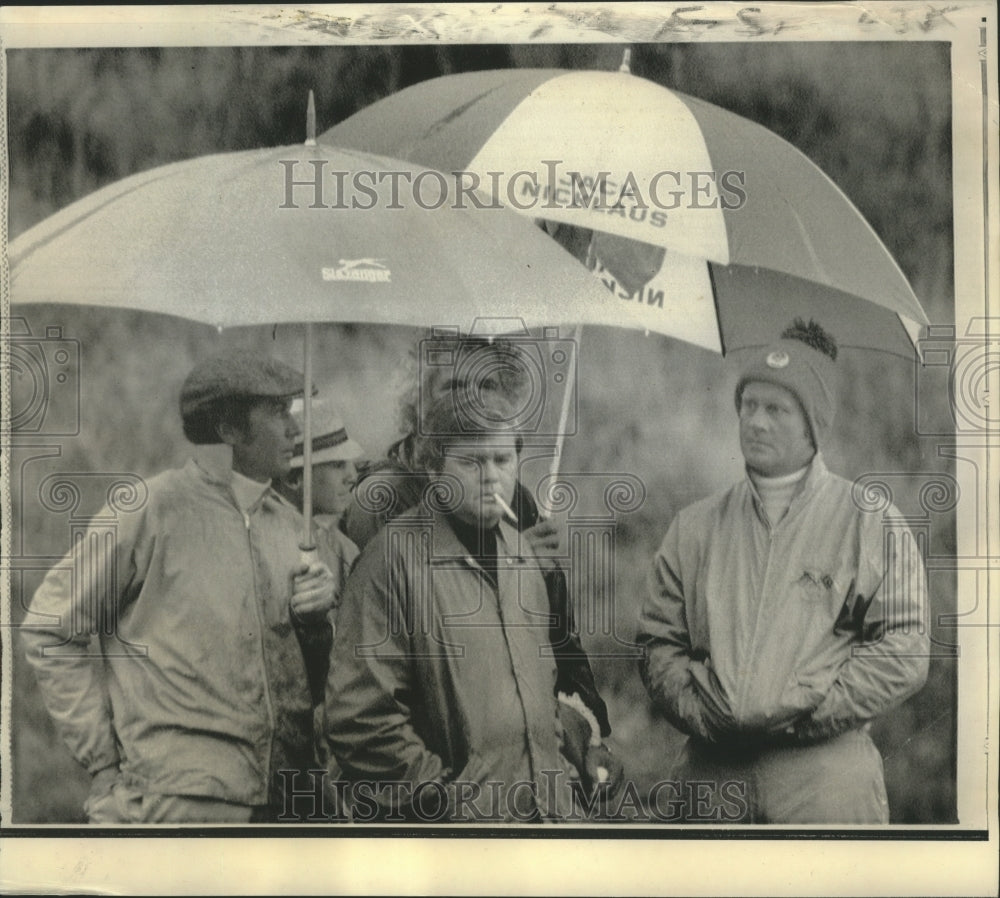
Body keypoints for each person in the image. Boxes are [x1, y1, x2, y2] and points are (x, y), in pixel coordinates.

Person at [22, 351, 338, 824]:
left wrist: (316, 627)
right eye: (277, 412)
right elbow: (49, 628)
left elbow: (318, 688)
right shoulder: (149, 510)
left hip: (289, 802)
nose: (296, 430)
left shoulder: (297, 530)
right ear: (229, 429)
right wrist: (104, 764)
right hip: (181, 807)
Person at [637, 320, 929, 824]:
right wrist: (705, 715)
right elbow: (658, 642)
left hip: (825, 784)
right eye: (749, 405)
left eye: (776, 409)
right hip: (712, 782)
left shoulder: (867, 520)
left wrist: (810, 713)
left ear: (813, 424)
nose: (756, 422)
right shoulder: (695, 527)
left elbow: (905, 646)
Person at [341, 333, 620, 797]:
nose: (473, 399)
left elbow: (561, 644)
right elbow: (404, 656)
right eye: (454, 387)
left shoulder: (517, 503)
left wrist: (588, 732)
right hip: (441, 778)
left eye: (488, 385)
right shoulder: (384, 499)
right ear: (419, 397)